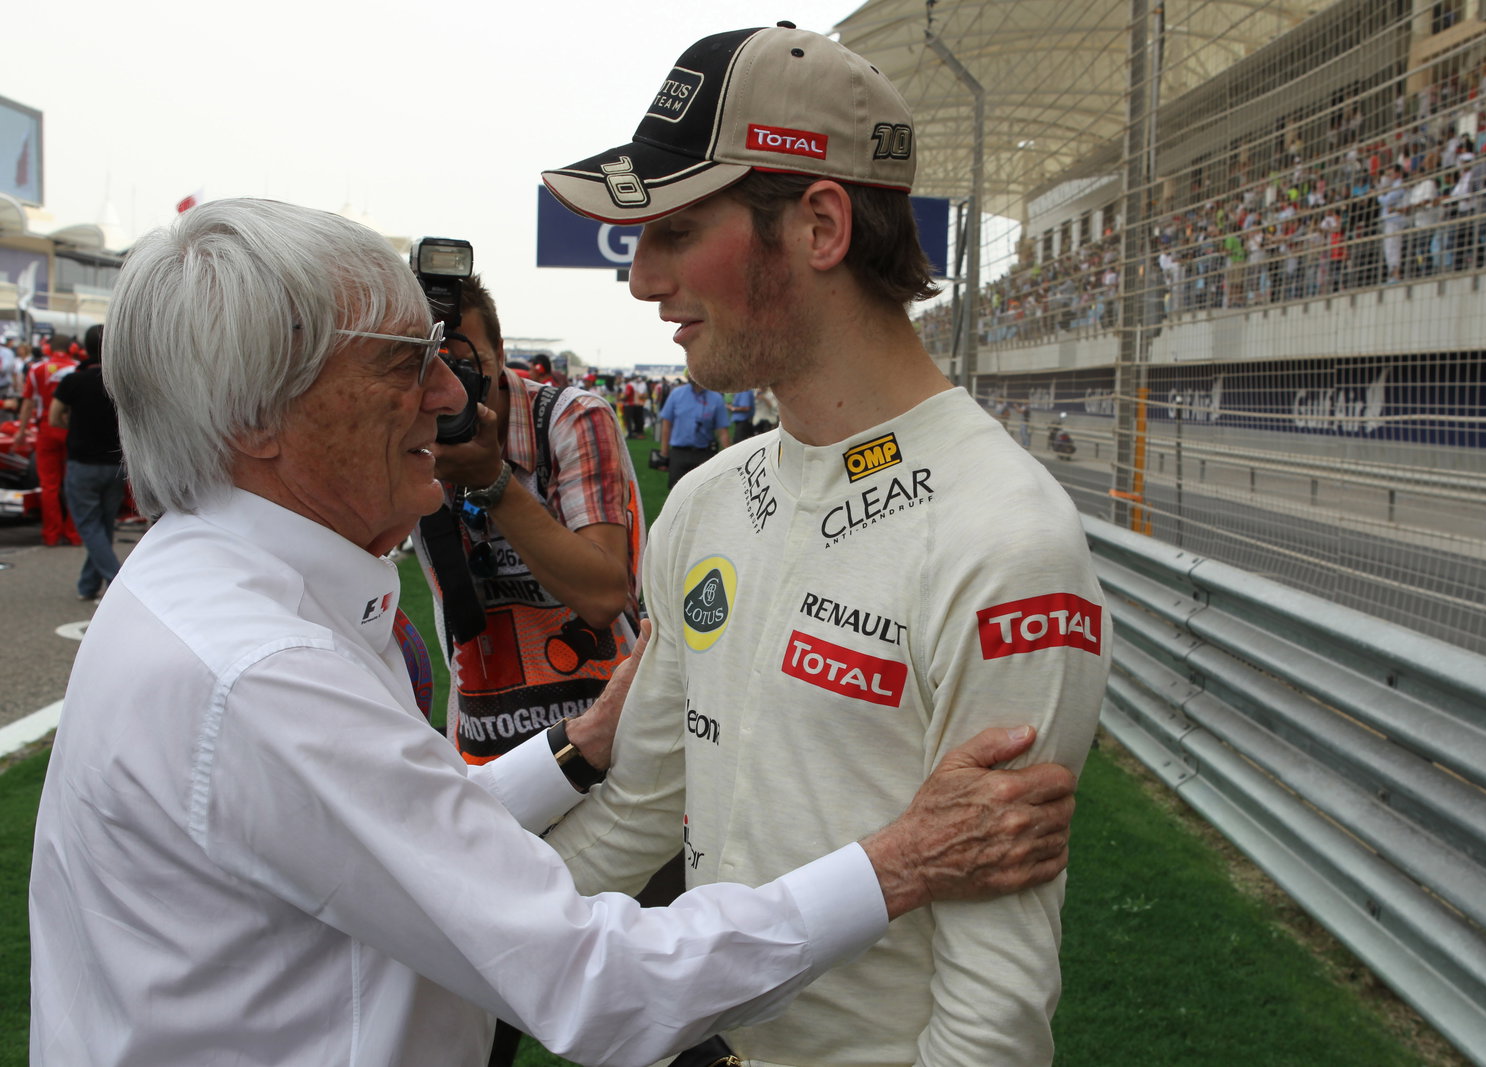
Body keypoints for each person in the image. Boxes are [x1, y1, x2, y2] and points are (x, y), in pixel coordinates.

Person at [29, 197, 1082, 1067]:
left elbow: (385, 838)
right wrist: (903, 858)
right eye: (405, 362)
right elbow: (596, 979)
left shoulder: (208, 589)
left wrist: (578, 748)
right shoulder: (257, 669)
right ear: (258, 416)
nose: (450, 397)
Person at [541, 24, 1111, 1065]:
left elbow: (993, 1006)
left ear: (818, 224)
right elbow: (638, 815)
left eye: (673, 230)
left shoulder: (1008, 540)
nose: (641, 280)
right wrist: (439, 940)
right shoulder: (705, 503)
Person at [413, 274, 648, 1066]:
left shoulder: (568, 417)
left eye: (461, 357)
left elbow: (602, 587)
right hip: (485, 756)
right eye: (420, 361)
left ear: (500, 353)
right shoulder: (404, 430)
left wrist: (488, 481)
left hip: (615, 757)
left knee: (644, 997)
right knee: (477, 1008)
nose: (445, 384)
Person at [47, 324, 124, 601]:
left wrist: (73, 423)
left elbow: (54, 417)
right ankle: (87, 586)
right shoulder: (118, 382)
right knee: (102, 526)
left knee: (90, 527)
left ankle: (118, 583)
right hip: (114, 464)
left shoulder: (72, 381)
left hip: (82, 463)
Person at [12, 334, 79, 546]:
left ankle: (51, 534)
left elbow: (28, 404)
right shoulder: (77, 368)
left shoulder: (36, 369)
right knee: (74, 484)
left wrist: (21, 432)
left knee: (49, 485)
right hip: (72, 431)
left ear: (48, 348)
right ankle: (74, 533)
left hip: (46, 430)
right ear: (72, 348)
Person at [657, 371, 729, 487]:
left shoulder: (716, 398)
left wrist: (727, 457)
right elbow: (667, 424)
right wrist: (664, 452)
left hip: (704, 454)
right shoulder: (676, 395)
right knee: (676, 493)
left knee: (703, 493)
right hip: (679, 453)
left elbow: (722, 431)